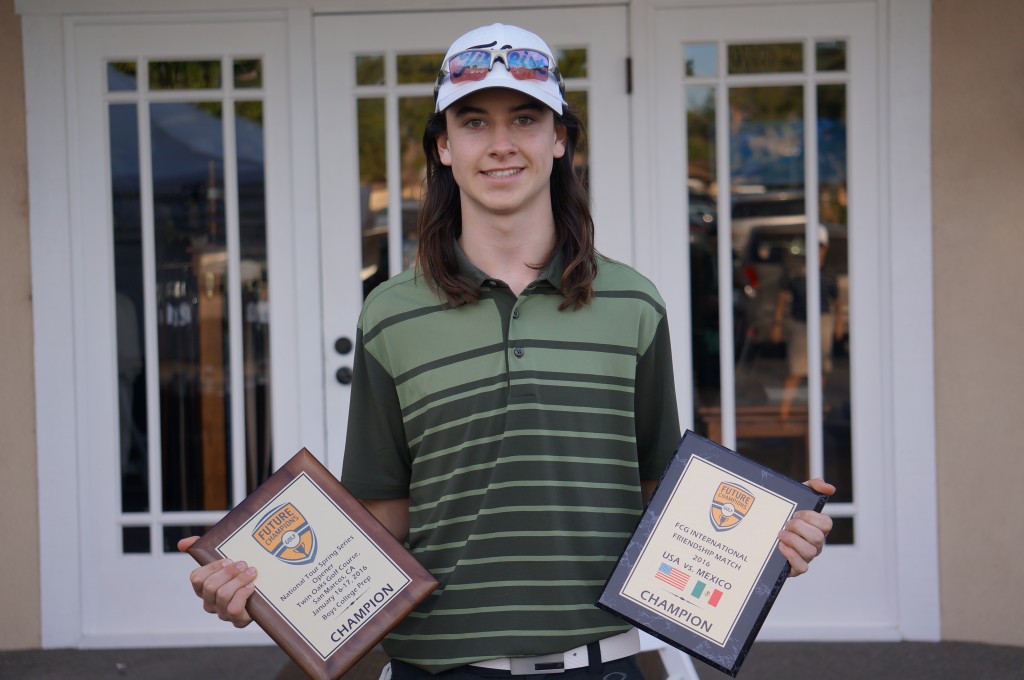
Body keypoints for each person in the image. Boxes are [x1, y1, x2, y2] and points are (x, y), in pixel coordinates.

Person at [179, 23, 834, 679]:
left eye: (524, 118)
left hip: (602, 663)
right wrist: (265, 585)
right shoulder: (391, 312)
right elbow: (383, 513)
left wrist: (761, 539)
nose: (500, 145)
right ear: (443, 146)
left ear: (559, 140)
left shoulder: (633, 303)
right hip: (439, 666)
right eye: (473, 122)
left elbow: (659, 494)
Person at [770, 225, 843, 418]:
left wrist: (839, 323)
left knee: (821, 368)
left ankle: (816, 409)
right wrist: (777, 324)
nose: (816, 250)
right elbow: (782, 296)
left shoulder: (829, 271)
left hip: (822, 320)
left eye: (820, 246)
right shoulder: (795, 268)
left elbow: (835, 300)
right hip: (800, 320)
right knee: (796, 368)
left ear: (825, 248)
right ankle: (784, 411)